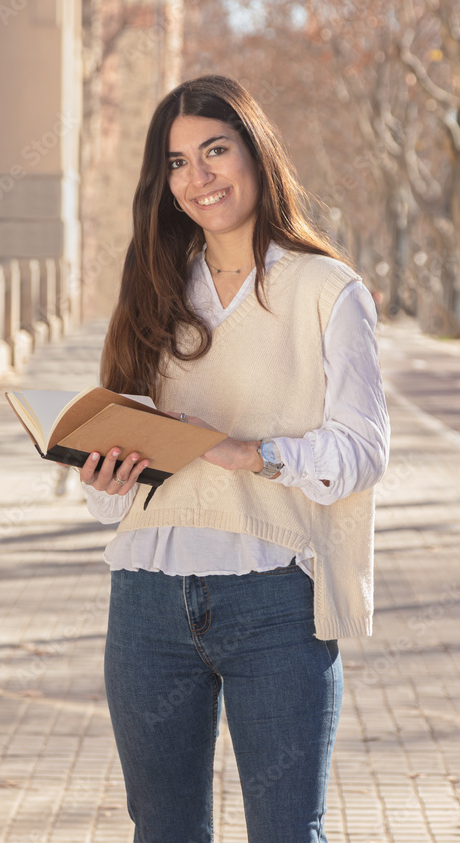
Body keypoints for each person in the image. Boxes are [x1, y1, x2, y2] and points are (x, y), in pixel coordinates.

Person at [80, 74, 390, 843]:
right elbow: (117, 493)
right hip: (146, 602)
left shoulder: (326, 289)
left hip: (276, 600)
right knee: (163, 831)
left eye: (215, 150)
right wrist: (105, 478)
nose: (198, 177)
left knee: (287, 832)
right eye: (177, 162)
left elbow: (361, 451)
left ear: (257, 152)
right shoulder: (153, 288)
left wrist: (249, 453)